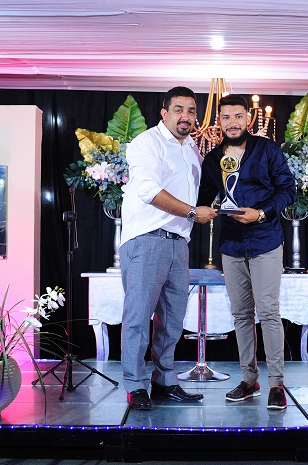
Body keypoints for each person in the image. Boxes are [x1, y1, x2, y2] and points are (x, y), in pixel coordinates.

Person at [120, 86, 218, 410]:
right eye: (178, 109)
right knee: (138, 318)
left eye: (191, 111)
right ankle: (135, 386)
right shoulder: (147, 143)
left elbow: (205, 191)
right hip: (147, 239)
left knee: (172, 321)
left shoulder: (192, 149)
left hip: (179, 242)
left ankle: (163, 381)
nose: (185, 117)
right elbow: (149, 191)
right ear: (164, 113)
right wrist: (192, 212)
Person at [198, 94, 296, 409]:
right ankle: (249, 380)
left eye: (238, 116)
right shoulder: (212, 160)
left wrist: (262, 213)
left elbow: (288, 189)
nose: (232, 122)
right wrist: (203, 209)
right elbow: (203, 197)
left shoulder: (268, 150)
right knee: (241, 314)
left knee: (267, 312)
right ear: (219, 121)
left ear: (248, 119)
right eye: (226, 117)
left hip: (266, 240)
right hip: (231, 244)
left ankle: (276, 384)